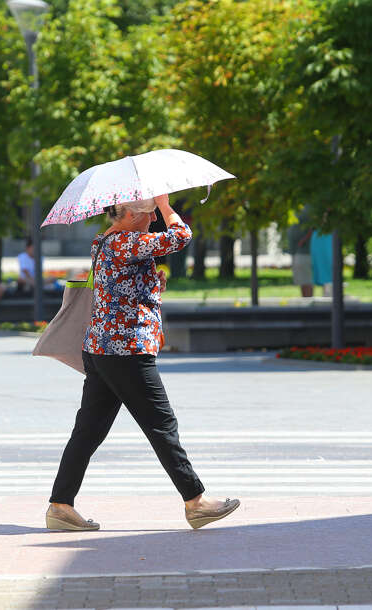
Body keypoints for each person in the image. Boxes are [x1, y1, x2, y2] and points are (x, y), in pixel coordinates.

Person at [46, 194, 240, 531]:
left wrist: (152, 283)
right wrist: (166, 206)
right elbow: (181, 236)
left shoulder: (103, 240)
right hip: (126, 350)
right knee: (162, 425)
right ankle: (196, 501)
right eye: (150, 215)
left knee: (88, 430)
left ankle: (60, 505)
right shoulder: (127, 241)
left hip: (101, 348)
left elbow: (119, 286)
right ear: (134, 214)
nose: (153, 221)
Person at [287, 207, 313, 298]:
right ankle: (306, 303)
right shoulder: (295, 206)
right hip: (295, 251)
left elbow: (312, 227)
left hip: (304, 251)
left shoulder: (308, 208)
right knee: (301, 280)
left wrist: (303, 240)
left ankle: (309, 304)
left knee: (306, 280)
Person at [311, 230, 334, 296]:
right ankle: (327, 293)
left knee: (328, 264)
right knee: (320, 266)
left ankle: (329, 292)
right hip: (319, 237)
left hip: (327, 236)